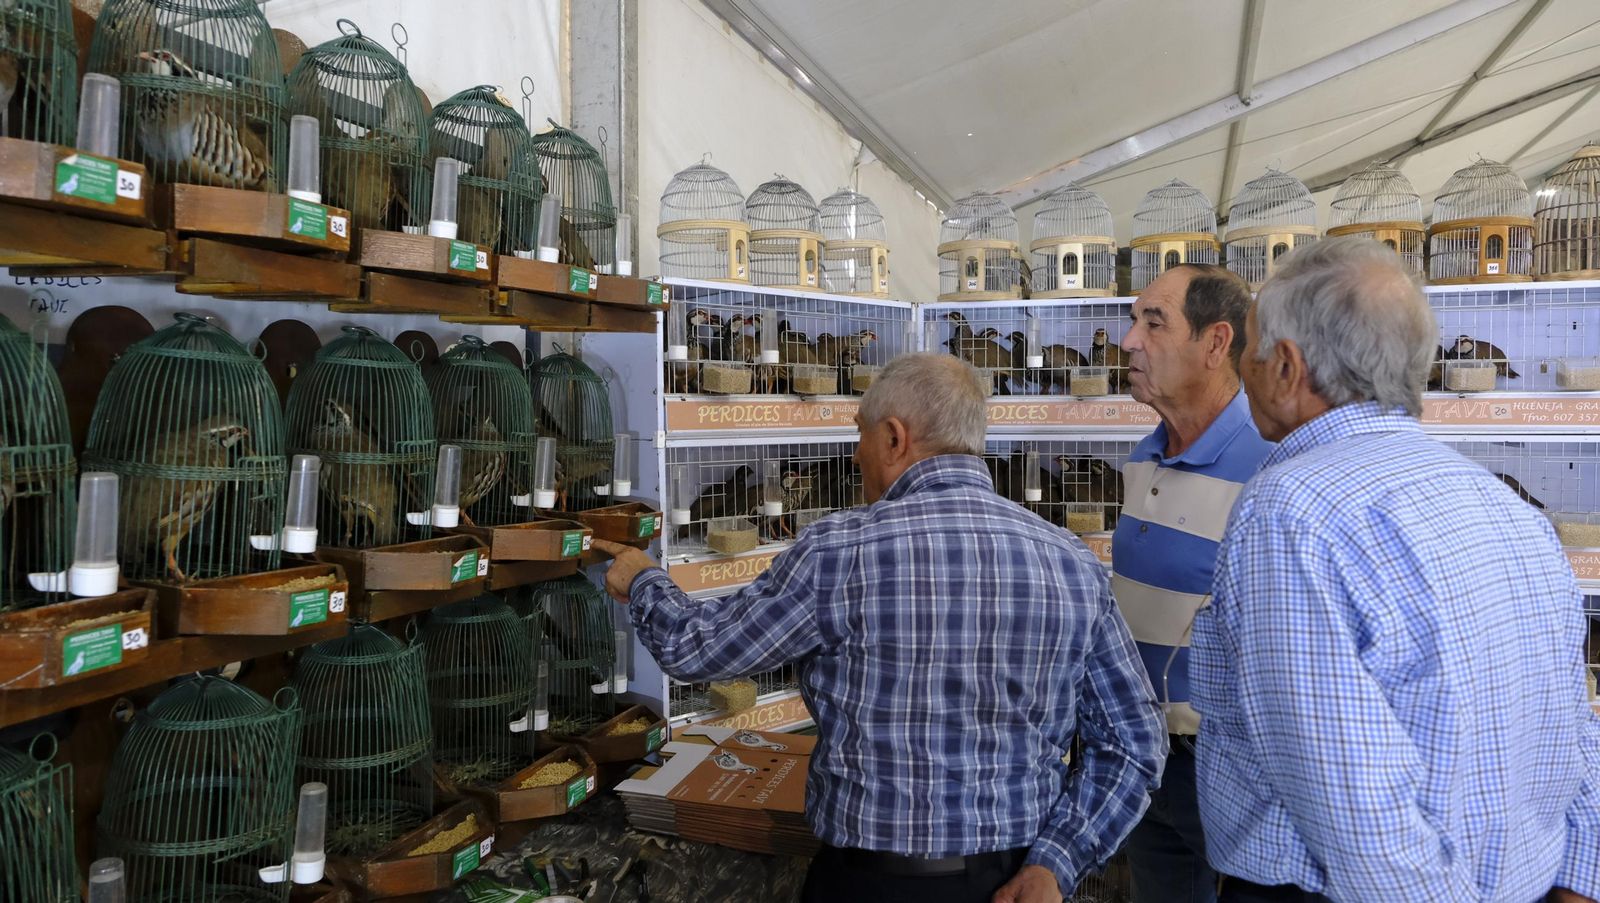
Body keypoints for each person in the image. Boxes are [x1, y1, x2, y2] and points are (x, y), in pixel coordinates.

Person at [594, 353, 1166, 903]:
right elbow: (1135, 743)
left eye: (860, 433)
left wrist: (644, 581)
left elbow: (697, 649)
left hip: (868, 882)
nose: (854, 453)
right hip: (1017, 879)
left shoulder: (839, 553)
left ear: (895, 438)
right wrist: (1056, 864)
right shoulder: (1070, 561)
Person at [1190, 235, 1600, 903]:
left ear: (1288, 367)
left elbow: (1347, 795)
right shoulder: (1508, 508)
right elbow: (1580, 726)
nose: (1243, 370)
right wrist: (1581, 882)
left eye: (1251, 351)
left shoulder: (1291, 509)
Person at [1112, 264, 1273, 903]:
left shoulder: (1270, 464)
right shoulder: (1142, 456)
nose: (1128, 341)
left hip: (1227, 763)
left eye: (1154, 323)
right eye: (1134, 321)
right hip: (1140, 750)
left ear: (1214, 344)